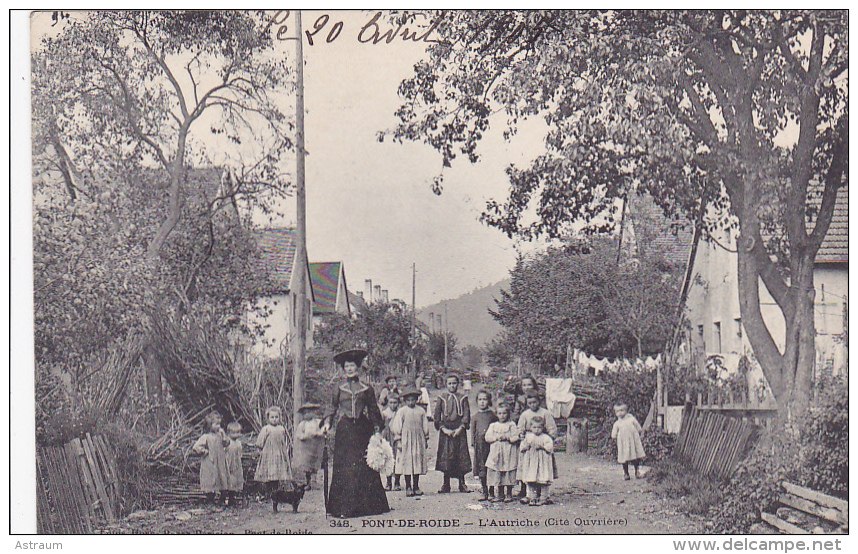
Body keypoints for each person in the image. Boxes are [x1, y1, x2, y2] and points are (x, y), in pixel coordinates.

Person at [323, 348, 390, 518]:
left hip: (362, 430)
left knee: (364, 467)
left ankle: (368, 507)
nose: (350, 369)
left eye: (352, 366)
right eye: (347, 366)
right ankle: (343, 508)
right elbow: (332, 407)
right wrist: (327, 423)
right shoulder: (338, 387)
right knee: (345, 468)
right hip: (345, 431)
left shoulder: (366, 388)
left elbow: (374, 410)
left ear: (358, 367)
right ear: (343, 369)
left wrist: (377, 430)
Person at [434, 373, 472, 493]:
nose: (452, 386)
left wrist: (461, 428)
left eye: (454, 383)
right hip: (446, 431)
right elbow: (437, 415)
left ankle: (462, 483)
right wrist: (443, 428)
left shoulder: (463, 398)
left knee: (460, 455)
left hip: (459, 430)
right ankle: (446, 484)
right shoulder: (442, 398)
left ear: (458, 384)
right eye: (450, 383)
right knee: (446, 456)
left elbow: (466, 414)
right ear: (446, 384)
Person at [390, 387, 430, 497]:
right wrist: (398, 441)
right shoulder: (402, 411)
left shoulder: (421, 411)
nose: (411, 402)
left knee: (417, 462)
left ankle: (416, 486)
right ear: (405, 400)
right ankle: (408, 486)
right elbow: (397, 427)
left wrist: (426, 439)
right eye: (408, 400)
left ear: (417, 399)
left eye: (413, 400)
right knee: (407, 462)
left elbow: (425, 426)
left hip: (418, 439)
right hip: (406, 440)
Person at [516, 391, 557, 497]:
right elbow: (520, 427)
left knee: (542, 469)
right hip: (530, 443)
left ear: (539, 402)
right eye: (530, 403)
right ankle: (526, 492)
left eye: (534, 402)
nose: (532, 405)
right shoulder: (525, 414)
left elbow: (551, 428)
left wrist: (548, 438)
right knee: (527, 467)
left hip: (542, 442)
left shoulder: (545, 413)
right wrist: (521, 435)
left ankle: (541, 492)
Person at [192, 411, 230, 505]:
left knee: (222, 478)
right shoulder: (206, 437)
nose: (218, 427)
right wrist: (204, 451)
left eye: (219, 424)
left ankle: (222, 498)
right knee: (210, 479)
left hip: (220, 461)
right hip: (210, 461)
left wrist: (224, 434)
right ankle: (210, 500)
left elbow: (227, 443)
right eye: (216, 424)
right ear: (210, 425)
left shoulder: (219, 435)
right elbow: (196, 446)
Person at [485, 403, 519, 503]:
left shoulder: (511, 425)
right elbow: (487, 437)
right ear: (497, 414)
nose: (502, 415)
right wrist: (495, 438)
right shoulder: (493, 425)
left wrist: (508, 438)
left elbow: (516, 437)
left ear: (508, 414)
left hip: (508, 452)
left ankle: (509, 493)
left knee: (508, 470)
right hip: (497, 452)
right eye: (500, 413)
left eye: (504, 413)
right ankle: (500, 493)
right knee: (497, 470)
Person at [255, 406, 292, 497]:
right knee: (269, 472)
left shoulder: (281, 429)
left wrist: (284, 452)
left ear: (279, 417)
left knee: (277, 473)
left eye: (276, 417)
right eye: (272, 417)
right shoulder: (266, 429)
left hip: (278, 454)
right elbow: (260, 441)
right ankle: (268, 492)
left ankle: (276, 493)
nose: (274, 419)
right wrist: (259, 449)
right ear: (268, 418)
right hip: (269, 454)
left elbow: (283, 442)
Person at [519, 415, 554, 506]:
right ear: (530, 427)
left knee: (543, 479)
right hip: (531, 462)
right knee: (531, 479)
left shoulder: (546, 438)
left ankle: (544, 497)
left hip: (542, 462)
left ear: (543, 427)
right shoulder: (529, 437)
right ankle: (532, 497)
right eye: (534, 427)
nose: (537, 429)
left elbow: (550, 447)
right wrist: (525, 447)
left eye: (539, 427)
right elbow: (522, 446)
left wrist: (542, 447)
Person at [470, 390, 498, 501]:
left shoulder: (492, 415)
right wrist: (473, 443)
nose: (482, 402)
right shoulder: (475, 417)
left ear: (489, 401)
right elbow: (473, 431)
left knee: (490, 466)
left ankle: (491, 491)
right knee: (481, 467)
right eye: (480, 400)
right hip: (480, 445)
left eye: (484, 399)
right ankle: (484, 491)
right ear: (477, 402)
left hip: (490, 445)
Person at [293, 402, 326, 490]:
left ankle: (314, 481)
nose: (307, 414)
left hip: (316, 447)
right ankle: (308, 482)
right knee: (307, 465)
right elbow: (298, 434)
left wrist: (318, 434)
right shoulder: (302, 424)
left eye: (310, 412)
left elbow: (324, 431)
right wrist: (304, 437)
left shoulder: (318, 422)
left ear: (314, 412)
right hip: (306, 448)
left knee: (315, 465)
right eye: (305, 413)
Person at [611, 402, 646, 480]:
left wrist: (640, 430)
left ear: (626, 410)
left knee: (635, 457)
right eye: (617, 411)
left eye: (622, 410)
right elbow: (614, 433)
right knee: (624, 458)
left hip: (632, 441)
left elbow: (638, 426)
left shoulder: (631, 419)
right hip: (623, 442)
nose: (620, 413)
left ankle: (637, 471)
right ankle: (626, 473)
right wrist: (614, 436)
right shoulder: (617, 423)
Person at [381, 393, 402, 491]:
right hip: (387, 437)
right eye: (391, 402)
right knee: (388, 459)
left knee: (398, 458)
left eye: (395, 403)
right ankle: (388, 482)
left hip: (397, 436)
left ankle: (397, 482)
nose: (393, 405)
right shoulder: (385, 413)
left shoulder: (400, 412)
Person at [224, 421, 244, 506]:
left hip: (236, 464)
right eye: (234, 433)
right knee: (229, 479)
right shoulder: (227, 442)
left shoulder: (238, 442)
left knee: (236, 480)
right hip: (229, 463)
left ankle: (233, 497)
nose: (236, 435)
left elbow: (240, 452)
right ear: (228, 433)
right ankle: (225, 498)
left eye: (238, 432)